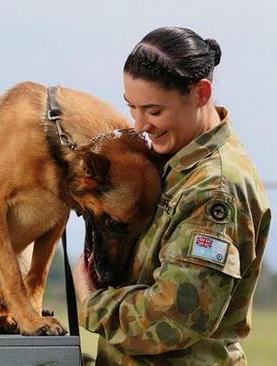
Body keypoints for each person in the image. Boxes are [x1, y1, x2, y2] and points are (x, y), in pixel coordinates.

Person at [73, 26, 271, 365]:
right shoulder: (170, 164)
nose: (139, 125)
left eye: (153, 111)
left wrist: (91, 301)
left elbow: (174, 319)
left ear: (201, 93)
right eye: (132, 108)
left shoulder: (214, 188)